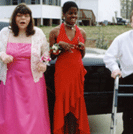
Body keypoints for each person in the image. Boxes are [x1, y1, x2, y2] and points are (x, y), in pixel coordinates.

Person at [0, 3, 51, 134]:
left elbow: (46, 54)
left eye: (25, 16)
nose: (22, 18)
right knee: (10, 113)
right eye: (19, 15)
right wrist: (3, 56)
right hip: (11, 81)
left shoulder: (38, 33)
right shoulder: (5, 33)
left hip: (33, 81)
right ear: (14, 18)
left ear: (30, 18)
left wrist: (44, 64)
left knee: (33, 113)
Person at [49, 1, 90, 134]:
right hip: (62, 73)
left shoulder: (82, 32)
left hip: (77, 72)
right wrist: (59, 45)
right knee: (62, 103)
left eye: (75, 13)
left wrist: (82, 48)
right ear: (64, 14)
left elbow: (82, 55)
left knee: (76, 103)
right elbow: (51, 56)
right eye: (70, 13)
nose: (73, 16)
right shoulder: (54, 32)